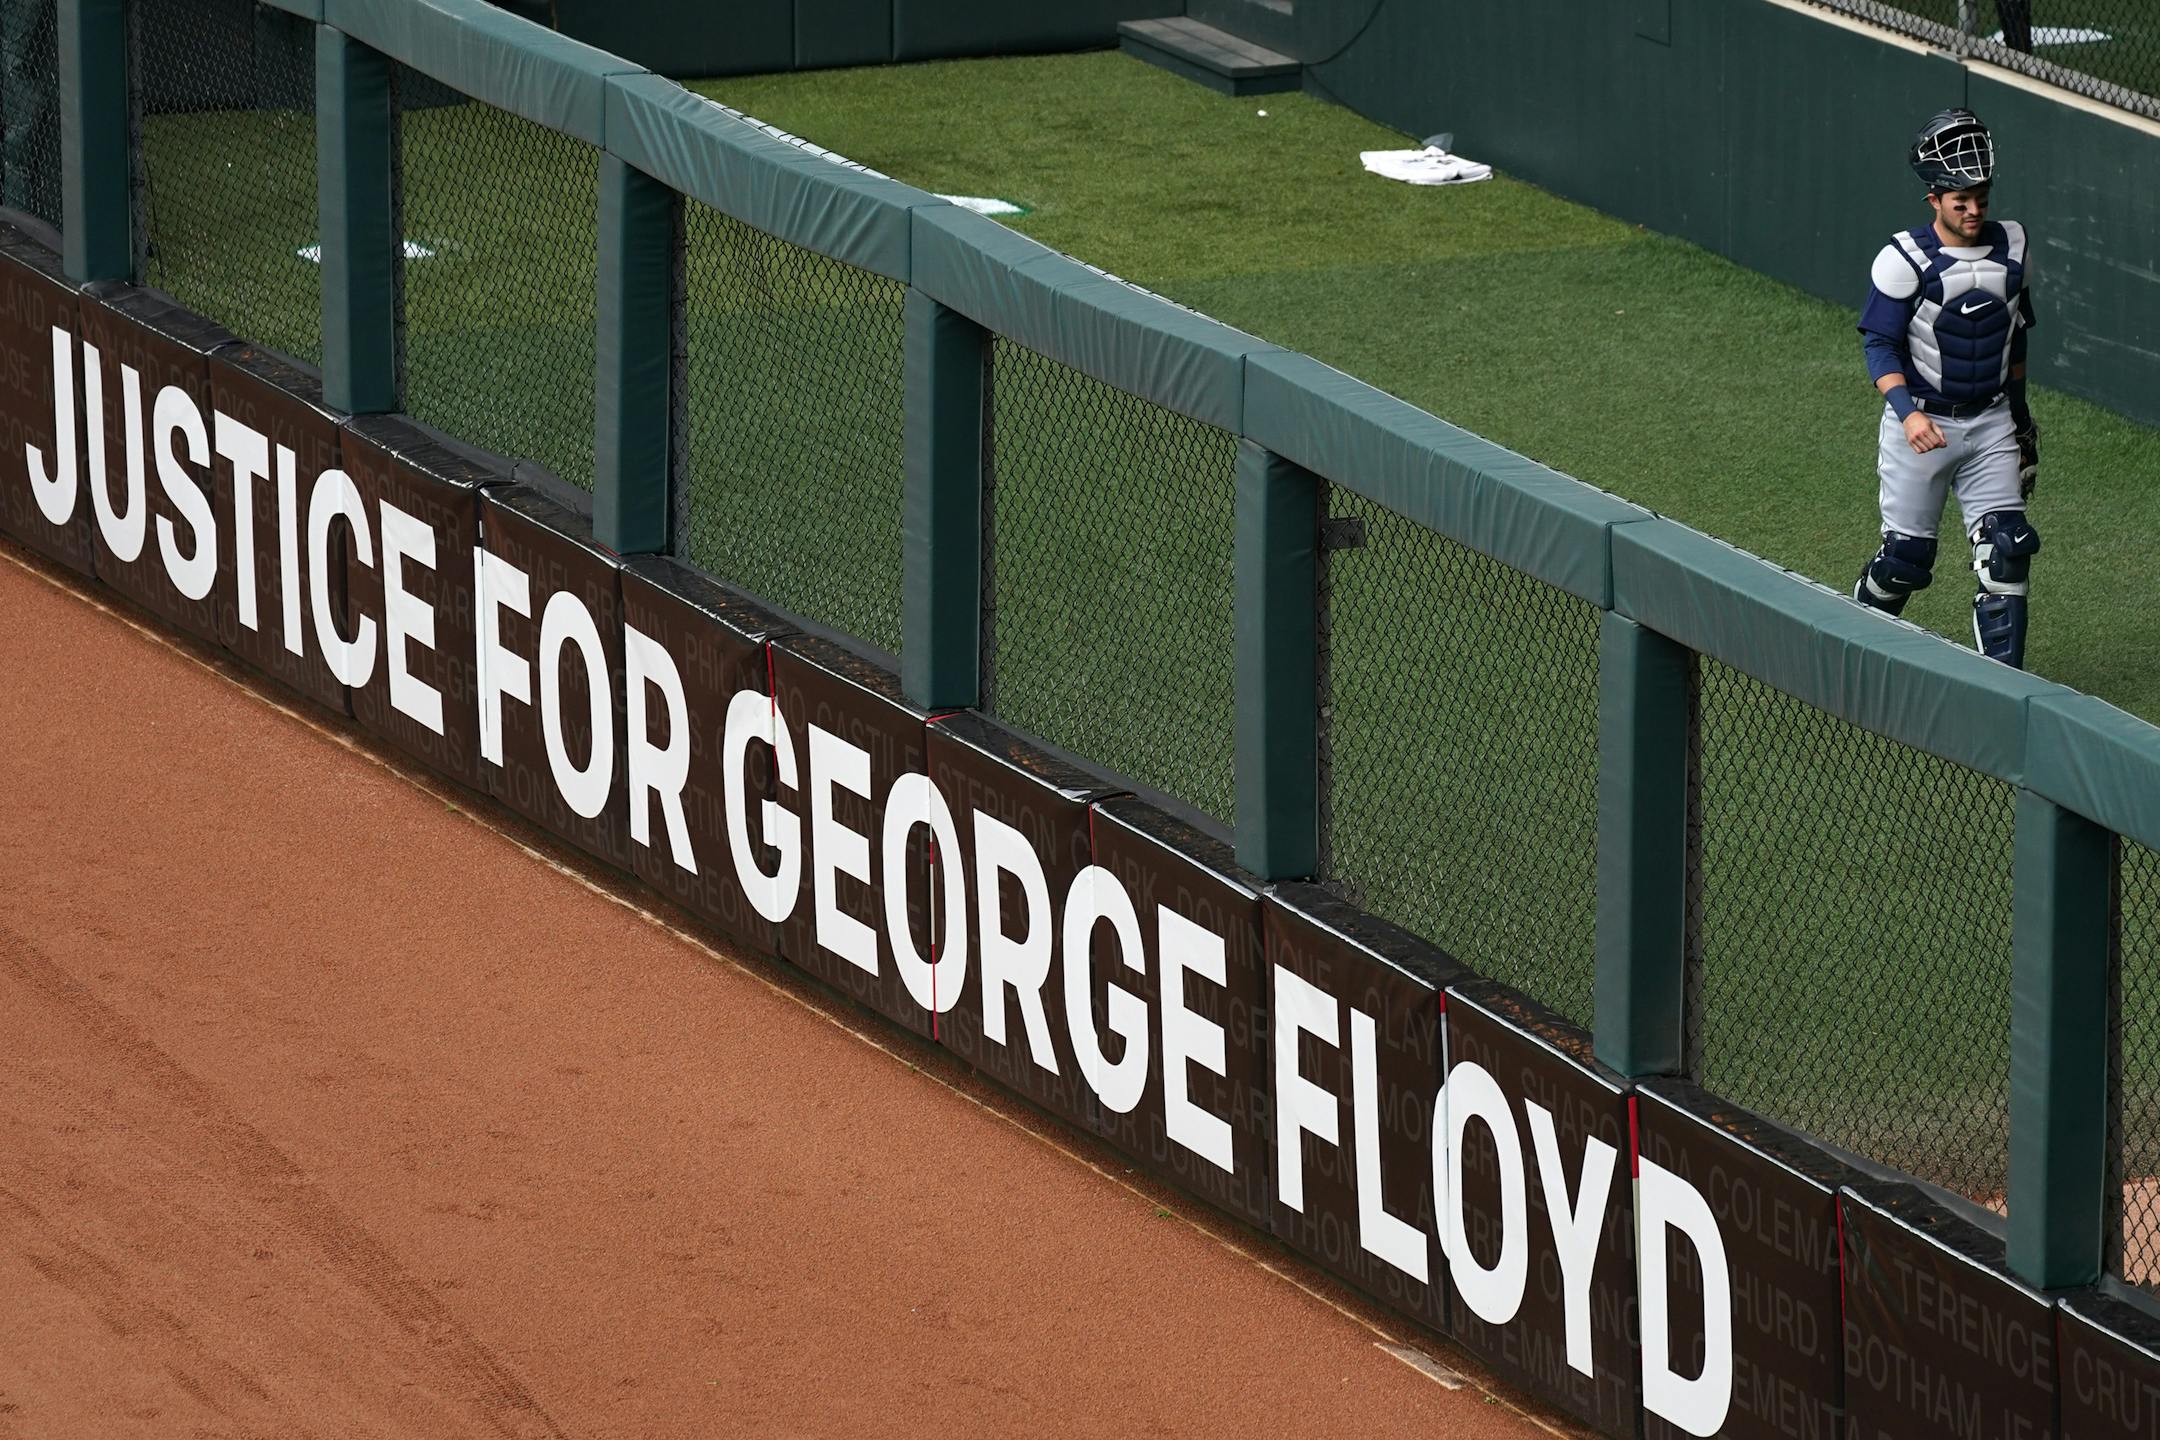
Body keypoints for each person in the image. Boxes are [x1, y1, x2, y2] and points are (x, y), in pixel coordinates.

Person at [1851, 108, 2041, 668]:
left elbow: (2016, 341)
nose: (1974, 210)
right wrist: (1908, 414)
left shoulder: (2015, 248)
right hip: (1922, 424)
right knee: (1905, 562)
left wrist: (2022, 421)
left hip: (1990, 423)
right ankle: (1855, 650)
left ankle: (2003, 688)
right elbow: (1878, 346)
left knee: (2007, 554)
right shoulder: (1903, 260)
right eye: (1961, 201)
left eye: (1981, 197)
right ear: (1934, 199)